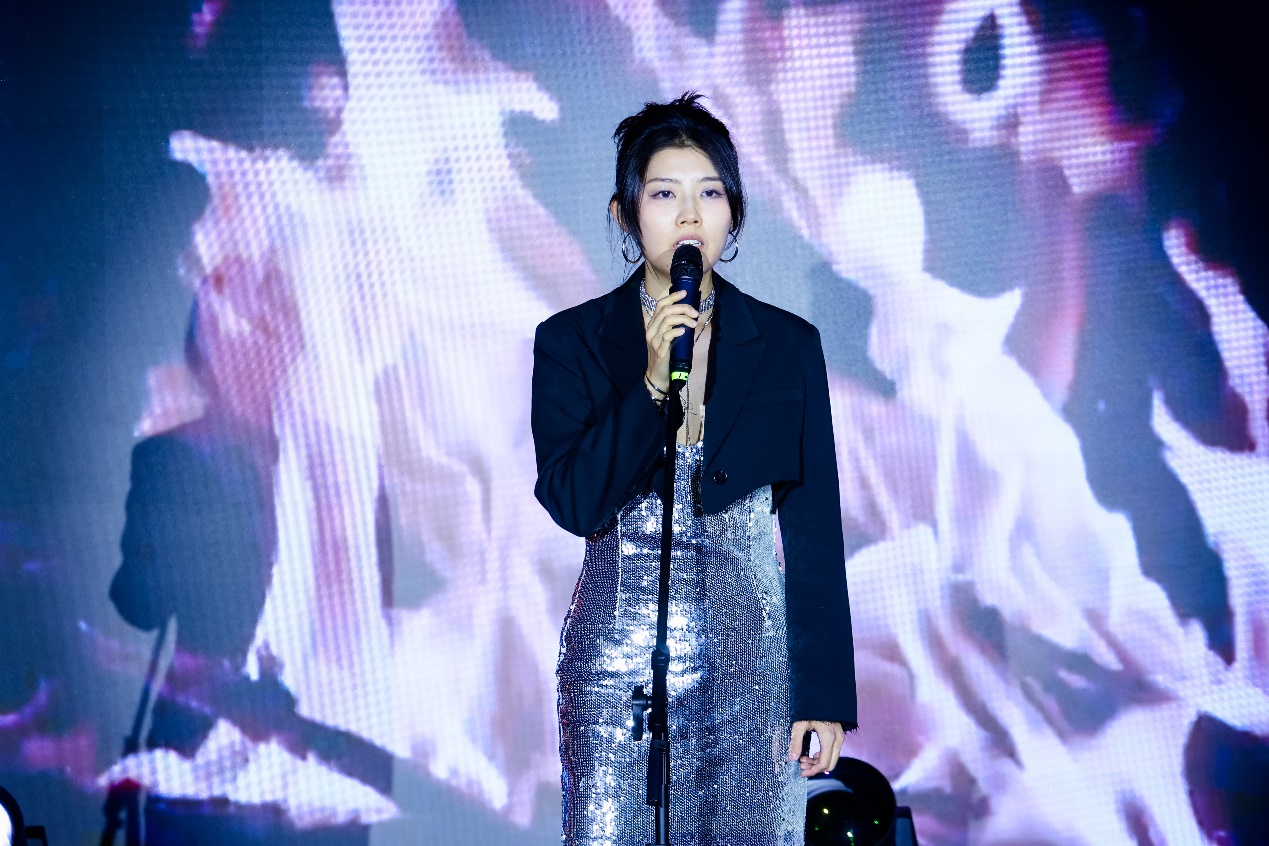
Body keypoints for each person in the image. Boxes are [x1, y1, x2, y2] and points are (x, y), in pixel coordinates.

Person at [531, 93, 857, 845]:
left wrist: (823, 693)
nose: (688, 215)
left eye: (709, 193)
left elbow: (814, 532)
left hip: (751, 675)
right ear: (624, 214)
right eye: (663, 194)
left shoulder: (787, 346)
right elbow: (575, 502)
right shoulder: (571, 342)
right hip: (615, 674)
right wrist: (650, 384)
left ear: (733, 214)